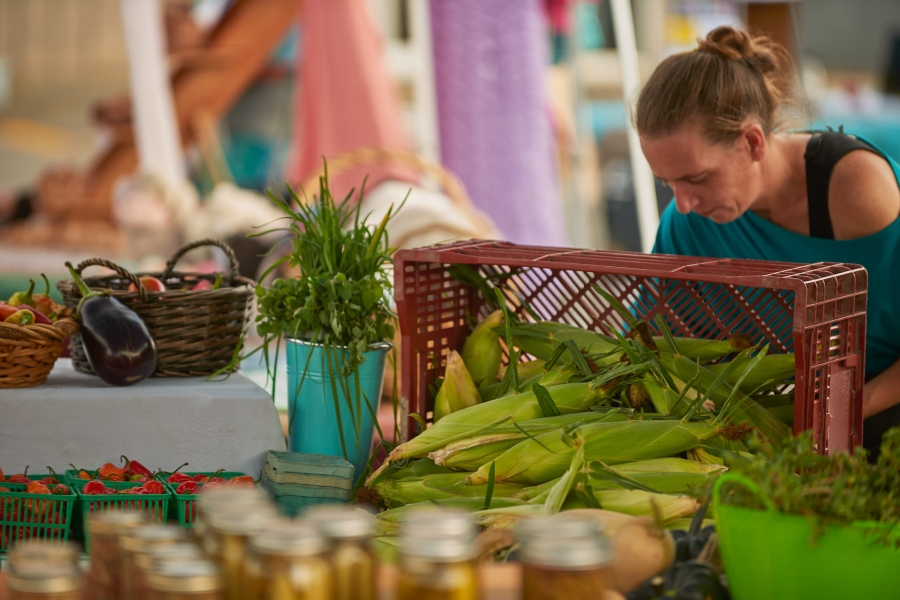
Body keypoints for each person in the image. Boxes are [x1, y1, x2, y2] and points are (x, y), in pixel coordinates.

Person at [635, 26, 900, 457]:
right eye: (667, 183)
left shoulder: (856, 189)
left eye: (698, 178)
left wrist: (842, 412)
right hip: (782, 429)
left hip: (877, 415)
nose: (683, 203)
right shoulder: (688, 223)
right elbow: (655, 340)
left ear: (752, 142)